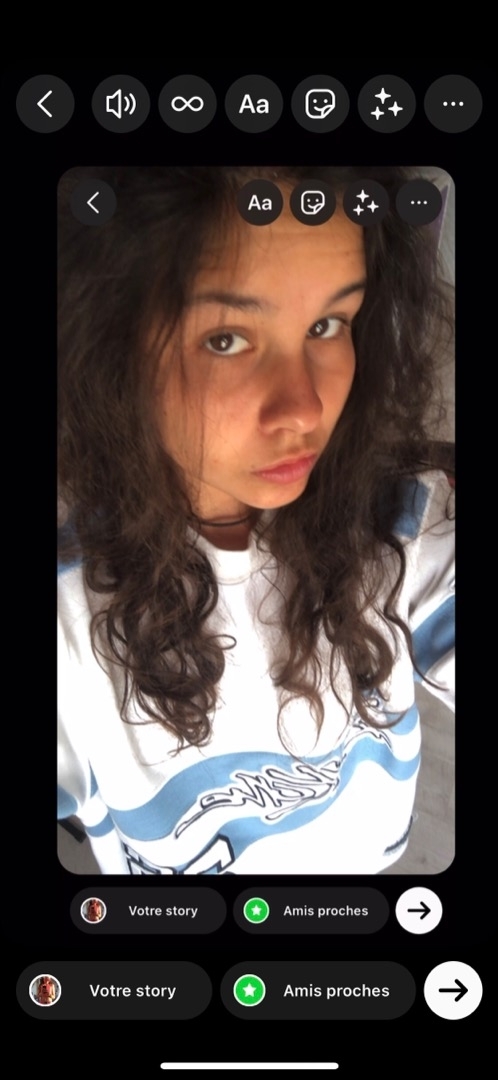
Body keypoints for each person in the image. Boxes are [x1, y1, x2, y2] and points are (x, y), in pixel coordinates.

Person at [58, 166, 454, 876]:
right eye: (227, 340)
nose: (305, 408)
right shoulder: (66, 615)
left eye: (328, 325)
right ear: (107, 347)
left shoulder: (402, 524)